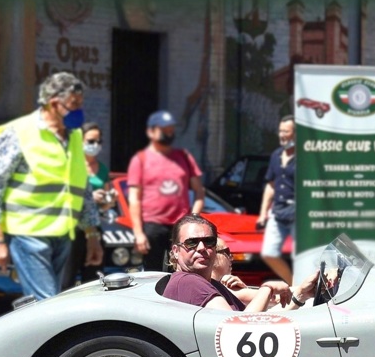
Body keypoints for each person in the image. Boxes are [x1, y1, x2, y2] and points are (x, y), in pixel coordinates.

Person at [0, 71, 102, 301]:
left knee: (44, 305)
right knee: (46, 304)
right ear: (54, 103)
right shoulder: (19, 132)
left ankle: (23, 337)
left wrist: (92, 233)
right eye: (74, 105)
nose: (79, 111)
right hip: (28, 233)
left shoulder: (75, 136)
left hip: (63, 234)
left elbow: (81, 187)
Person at [162, 216, 306, 312]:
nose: (201, 248)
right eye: (191, 243)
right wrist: (267, 288)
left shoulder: (211, 284)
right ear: (175, 251)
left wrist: (301, 296)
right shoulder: (189, 282)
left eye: (209, 242)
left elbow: (259, 320)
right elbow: (236, 326)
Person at [127, 110, 205, 272]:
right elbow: (134, 198)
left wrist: (194, 217)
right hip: (153, 225)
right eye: (164, 130)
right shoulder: (140, 160)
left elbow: (199, 190)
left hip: (180, 225)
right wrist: (138, 233)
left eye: (171, 130)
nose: (169, 133)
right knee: (152, 274)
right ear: (151, 131)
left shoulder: (183, 156)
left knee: (181, 271)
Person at [66, 122, 111, 287]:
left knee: (93, 281)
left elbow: (106, 203)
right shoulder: (71, 165)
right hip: (74, 229)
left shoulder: (103, 169)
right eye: (91, 141)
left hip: (94, 228)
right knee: (66, 281)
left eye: (99, 142)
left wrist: (108, 200)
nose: (95, 145)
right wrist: (90, 197)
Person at [256, 115, 298, 284]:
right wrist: (262, 214)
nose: (282, 135)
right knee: (269, 253)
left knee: (301, 258)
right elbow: (271, 185)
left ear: (295, 134)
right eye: (280, 131)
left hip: (299, 213)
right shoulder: (276, 155)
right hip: (278, 210)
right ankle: (293, 285)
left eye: (286, 131)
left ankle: (306, 293)